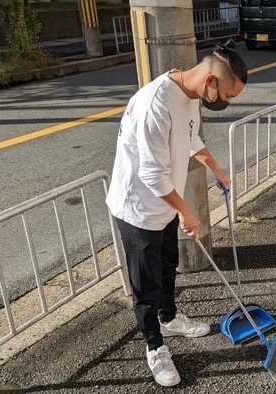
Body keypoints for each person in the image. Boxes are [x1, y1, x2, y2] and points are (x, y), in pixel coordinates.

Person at [106, 40, 247, 387]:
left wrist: (217, 169)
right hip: (137, 208)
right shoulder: (156, 103)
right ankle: (155, 347)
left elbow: (192, 140)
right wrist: (187, 212)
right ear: (212, 82)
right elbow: (151, 174)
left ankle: (168, 317)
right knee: (145, 285)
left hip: (165, 205)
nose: (228, 102)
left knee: (168, 264)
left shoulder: (190, 97)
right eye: (229, 95)